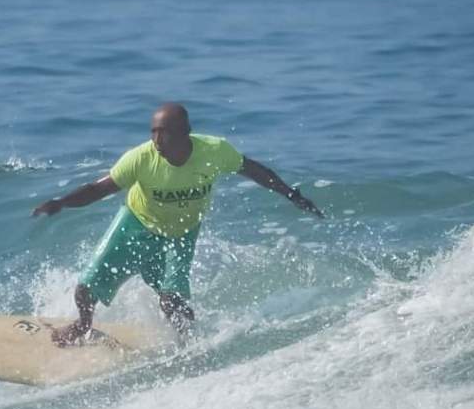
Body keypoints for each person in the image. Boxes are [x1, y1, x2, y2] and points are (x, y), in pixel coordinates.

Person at [32, 102, 323, 346]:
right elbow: (99, 189)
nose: (157, 140)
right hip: (135, 223)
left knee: (172, 301)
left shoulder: (215, 151)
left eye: (165, 132)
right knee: (85, 288)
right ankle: (83, 325)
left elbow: (254, 170)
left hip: (181, 232)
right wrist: (61, 202)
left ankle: (190, 346)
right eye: (153, 131)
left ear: (185, 133)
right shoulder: (140, 159)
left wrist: (292, 195)